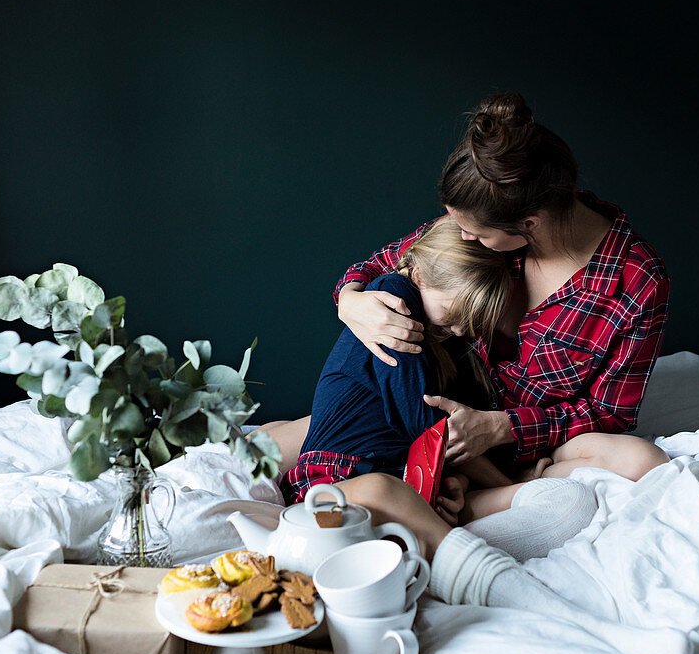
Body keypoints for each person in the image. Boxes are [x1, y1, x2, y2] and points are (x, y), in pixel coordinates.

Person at [267, 91, 670, 521]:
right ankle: (462, 492)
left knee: (641, 462)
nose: (462, 237)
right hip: (429, 409)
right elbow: (393, 266)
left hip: (523, 434)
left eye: (473, 232)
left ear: (529, 225)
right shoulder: (477, 226)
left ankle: (467, 498)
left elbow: (610, 413)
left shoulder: (636, 282)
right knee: (289, 443)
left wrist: (500, 428)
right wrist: (350, 300)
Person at [276, 218, 516, 512]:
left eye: (470, 323)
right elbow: (425, 425)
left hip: (384, 474)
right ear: (418, 275)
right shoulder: (393, 295)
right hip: (335, 477)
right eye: (454, 315)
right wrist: (507, 483)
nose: (460, 331)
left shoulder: (435, 340)